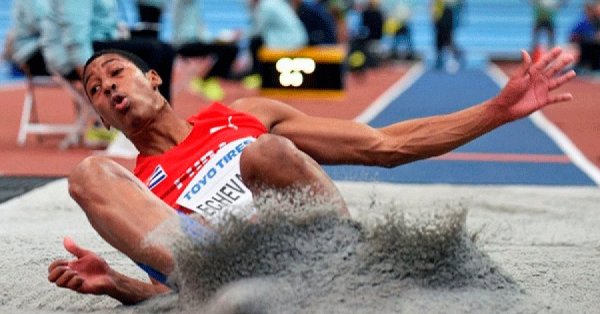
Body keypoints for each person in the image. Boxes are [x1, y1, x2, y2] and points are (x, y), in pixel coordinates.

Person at [47, 47, 576, 304]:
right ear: (102, 117)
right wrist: (117, 284)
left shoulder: (242, 114)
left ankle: (345, 261)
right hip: (233, 279)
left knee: (265, 153)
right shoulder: (137, 195)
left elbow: (384, 145)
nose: (108, 87)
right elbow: (170, 295)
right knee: (90, 172)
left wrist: (498, 110)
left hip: (318, 253)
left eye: (116, 72)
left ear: (153, 78)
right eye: (95, 90)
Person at [40, 0, 175, 102]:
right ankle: (149, 120)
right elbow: (75, 36)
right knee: (154, 51)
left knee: (166, 50)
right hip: (73, 56)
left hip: (98, 42)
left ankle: (163, 119)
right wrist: (88, 73)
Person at [431, 0, 463, 70]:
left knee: (449, 41)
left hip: (447, 17)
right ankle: (439, 61)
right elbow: (432, 5)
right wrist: (433, 15)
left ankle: (452, 59)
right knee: (438, 42)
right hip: (439, 19)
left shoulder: (449, 6)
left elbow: (456, 3)